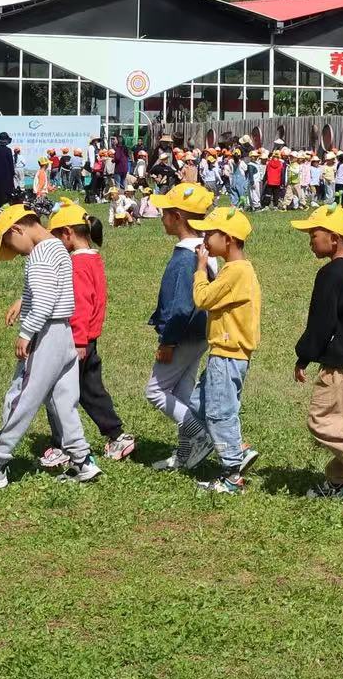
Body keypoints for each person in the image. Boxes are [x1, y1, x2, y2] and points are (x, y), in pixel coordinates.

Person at [0, 203, 99, 488]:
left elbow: (44, 300)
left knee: (21, 397)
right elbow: (44, 291)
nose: (17, 251)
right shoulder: (58, 248)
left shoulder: (41, 254)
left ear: (17, 229)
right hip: (65, 335)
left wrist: (26, 333)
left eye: (10, 243)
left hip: (46, 335)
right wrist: (25, 303)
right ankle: (82, 460)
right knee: (64, 401)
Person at [26, 201, 134, 468]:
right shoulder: (92, 258)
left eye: (55, 237)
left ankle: (62, 445)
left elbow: (82, 304)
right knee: (90, 390)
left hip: (76, 340)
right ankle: (117, 436)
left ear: (67, 235)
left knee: (56, 392)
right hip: (88, 338)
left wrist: (79, 341)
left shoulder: (76, 265)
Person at [290, 203, 343, 501]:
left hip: (340, 364)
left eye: (315, 233)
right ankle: (338, 484)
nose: (310, 239)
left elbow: (321, 322)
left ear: (334, 238)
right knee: (342, 426)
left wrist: (304, 355)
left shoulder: (330, 274)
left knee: (321, 423)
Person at [176, 205, 263, 496]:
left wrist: (200, 269)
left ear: (227, 239)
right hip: (226, 353)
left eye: (209, 233)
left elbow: (202, 298)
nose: (204, 239)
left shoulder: (235, 272)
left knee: (219, 412)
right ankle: (235, 448)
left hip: (227, 353)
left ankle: (231, 474)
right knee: (199, 405)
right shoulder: (237, 270)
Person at [144, 181, 217, 472]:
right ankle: (186, 453)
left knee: (157, 392)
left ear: (177, 217)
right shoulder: (204, 251)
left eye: (164, 212)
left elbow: (181, 306)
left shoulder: (184, 258)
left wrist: (168, 341)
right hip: (200, 333)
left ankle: (201, 436)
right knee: (184, 395)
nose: (161, 217)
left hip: (183, 336)